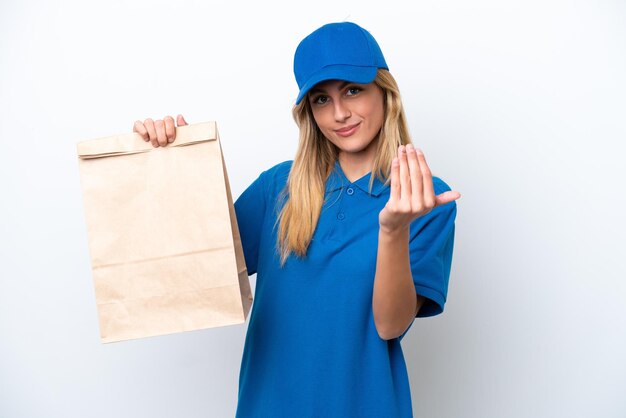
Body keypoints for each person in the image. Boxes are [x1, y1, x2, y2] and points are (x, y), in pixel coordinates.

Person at [133, 21, 460, 418]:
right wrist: (174, 163)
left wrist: (392, 229)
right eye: (322, 99)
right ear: (308, 112)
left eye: (353, 91)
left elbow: (391, 325)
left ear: (385, 93)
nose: (339, 113)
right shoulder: (278, 188)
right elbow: (194, 273)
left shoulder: (424, 197)